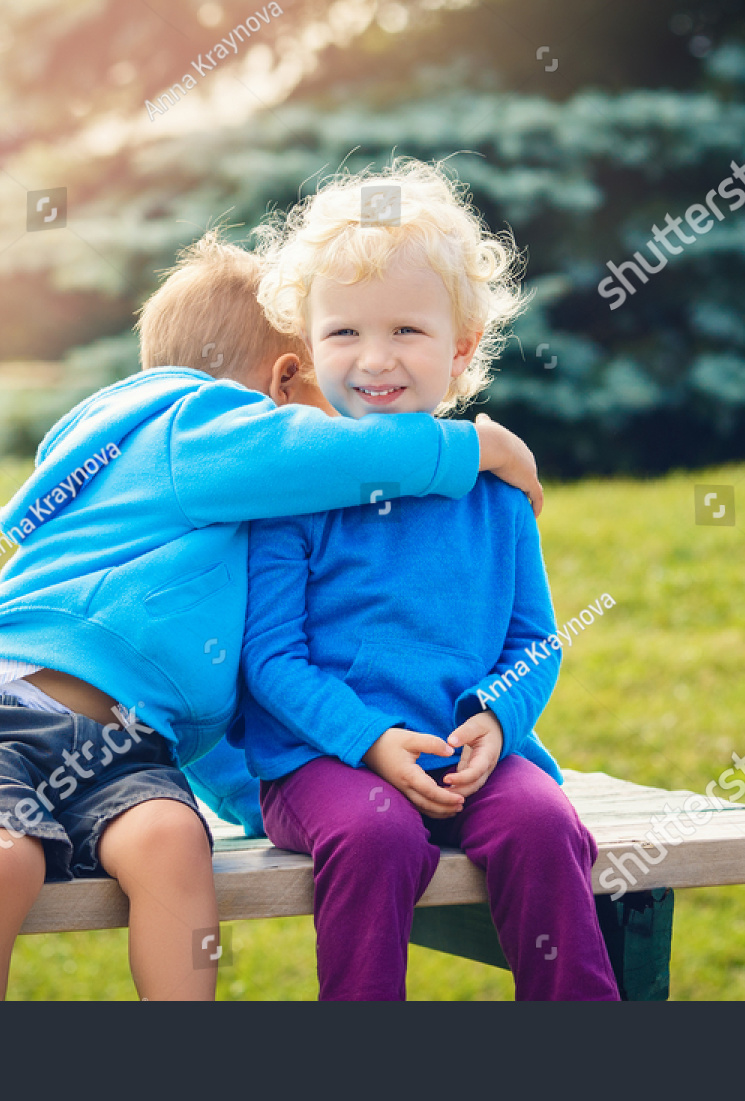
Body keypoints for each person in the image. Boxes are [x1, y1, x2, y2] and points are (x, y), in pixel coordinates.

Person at [0, 230, 545, 1000]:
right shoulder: (190, 428)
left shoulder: (233, 529)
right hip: (1, 717)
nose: (342, 415)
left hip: (133, 749)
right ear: (284, 379)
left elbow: (209, 696)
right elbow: (336, 458)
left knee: (175, 843)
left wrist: (277, 801)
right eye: (323, 397)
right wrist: (472, 449)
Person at [236, 160, 619, 999]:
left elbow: (533, 639)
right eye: (343, 333)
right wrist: (370, 741)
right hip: (323, 758)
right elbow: (269, 659)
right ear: (308, 342)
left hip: (465, 749)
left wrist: (496, 718)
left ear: (462, 348)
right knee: (376, 834)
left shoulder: (496, 492)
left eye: (407, 330)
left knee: (543, 821)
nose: (375, 358)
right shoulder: (297, 490)